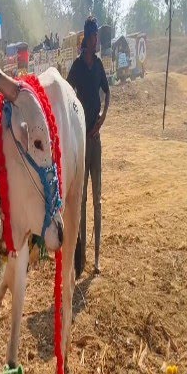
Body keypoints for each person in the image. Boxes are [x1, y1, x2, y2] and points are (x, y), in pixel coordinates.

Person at [67, 15, 109, 277]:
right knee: (80, 200)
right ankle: (80, 259)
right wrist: (76, 123)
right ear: (88, 38)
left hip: (97, 140)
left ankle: (96, 258)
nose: (98, 41)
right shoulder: (77, 67)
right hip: (82, 142)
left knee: (97, 199)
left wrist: (102, 119)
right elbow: (68, 92)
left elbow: (108, 94)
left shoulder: (100, 66)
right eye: (95, 37)